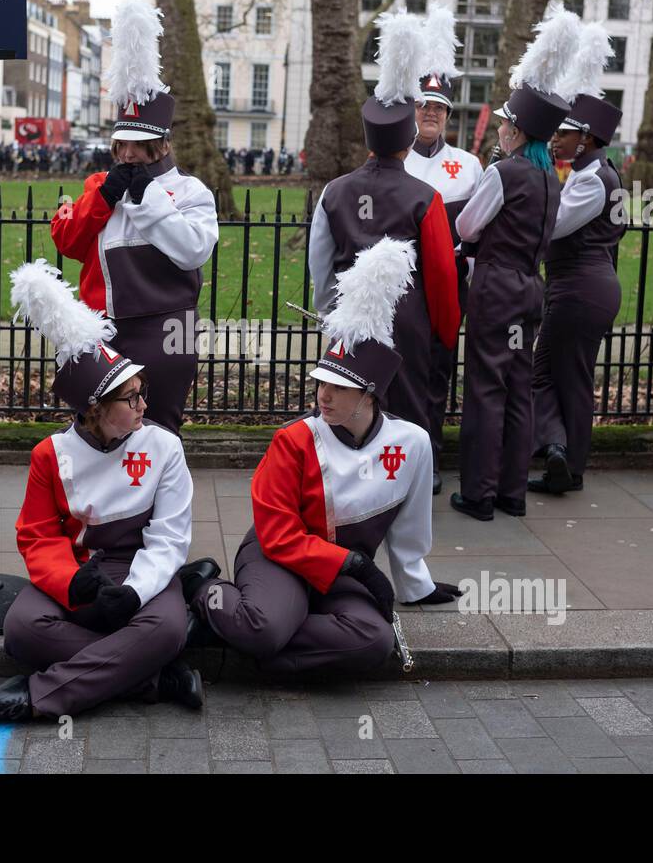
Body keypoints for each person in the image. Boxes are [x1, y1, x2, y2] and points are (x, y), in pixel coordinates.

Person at [189, 240, 462, 674]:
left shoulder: (412, 443)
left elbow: (409, 530)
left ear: (370, 393)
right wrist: (351, 563)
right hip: (278, 556)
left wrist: (416, 585)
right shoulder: (294, 440)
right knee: (264, 626)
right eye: (320, 382)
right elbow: (277, 533)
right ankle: (204, 592)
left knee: (374, 640)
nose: (323, 394)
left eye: (338, 386)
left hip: (341, 571)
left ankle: (262, 646)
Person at [0, 261, 204, 725]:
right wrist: (70, 582)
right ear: (94, 409)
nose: (144, 405)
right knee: (22, 630)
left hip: (142, 568)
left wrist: (134, 592)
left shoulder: (165, 447)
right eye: (130, 398)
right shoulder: (51, 455)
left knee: (166, 627)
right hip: (79, 571)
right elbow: (36, 537)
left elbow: (169, 539)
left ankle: (30, 698)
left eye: (141, 391)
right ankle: (152, 678)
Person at [51, 0, 218, 434]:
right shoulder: (97, 187)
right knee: (93, 433)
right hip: (103, 331)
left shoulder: (191, 191)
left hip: (166, 332)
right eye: (121, 143)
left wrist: (149, 202)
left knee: (159, 435)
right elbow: (66, 243)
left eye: (137, 145)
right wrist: (103, 198)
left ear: (160, 145)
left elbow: (192, 252)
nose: (127, 153)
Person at [309, 12, 461, 450]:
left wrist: (328, 310)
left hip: (349, 313)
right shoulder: (425, 196)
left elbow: (320, 261)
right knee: (405, 410)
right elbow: (440, 274)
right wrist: (444, 331)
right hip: (407, 317)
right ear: (409, 140)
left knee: (348, 405)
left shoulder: (333, 191)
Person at [450, 7, 578, 520]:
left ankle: (478, 495)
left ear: (518, 131)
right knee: (520, 388)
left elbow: (466, 228)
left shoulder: (505, 172)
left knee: (485, 388)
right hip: (531, 289)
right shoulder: (552, 179)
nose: (500, 128)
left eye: (505, 122)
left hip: (497, 289)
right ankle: (512, 492)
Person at [530, 23, 626, 495]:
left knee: (552, 371)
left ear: (586, 140)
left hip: (578, 288)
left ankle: (564, 456)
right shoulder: (602, 172)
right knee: (563, 371)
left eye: (564, 133)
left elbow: (553, 226)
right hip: (591, 286)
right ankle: (559, 452)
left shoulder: (590, 180)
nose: (555, 139)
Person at [402, 4, 483, 493]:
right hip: (403, 282)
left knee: (438, 372)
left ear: (448, 114)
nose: (429, 112)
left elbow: (476, 233)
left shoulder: (469, 166)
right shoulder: (393, 160)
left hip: (450, 284)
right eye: (422, 104)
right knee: (400, 372)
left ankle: (428, 460)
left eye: (438, 107)